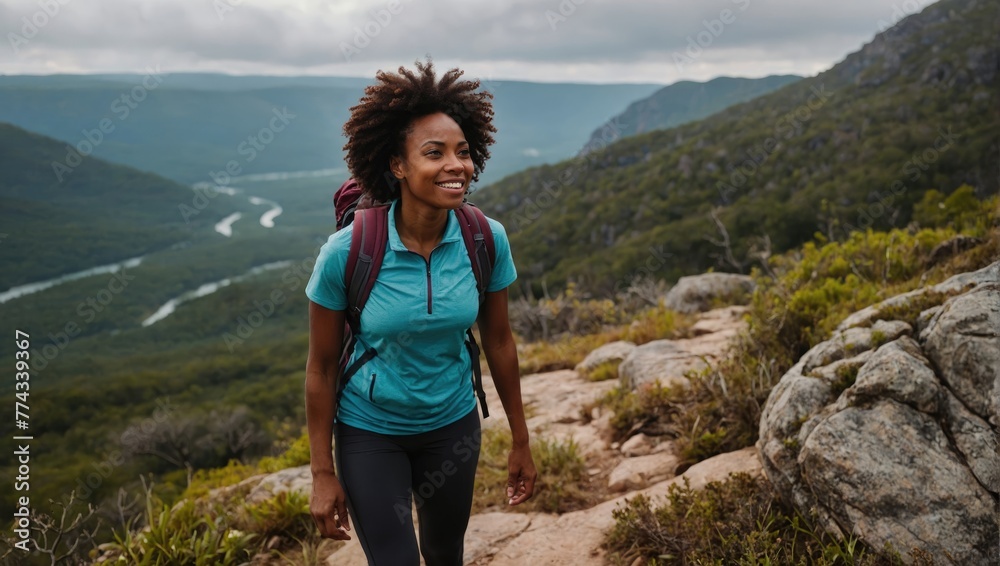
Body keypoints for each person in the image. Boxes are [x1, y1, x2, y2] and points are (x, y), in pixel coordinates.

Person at [304, 60, 537, 565]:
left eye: (463, 152)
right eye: (434, 153)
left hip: (452, 426)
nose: (456, 165)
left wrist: (521, 438)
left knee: (444, 554)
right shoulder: (347, 253)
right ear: (397, 165)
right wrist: (322, 472)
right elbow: (321, 367)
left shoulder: (484, 239)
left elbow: (499, 341)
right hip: (371, 429)